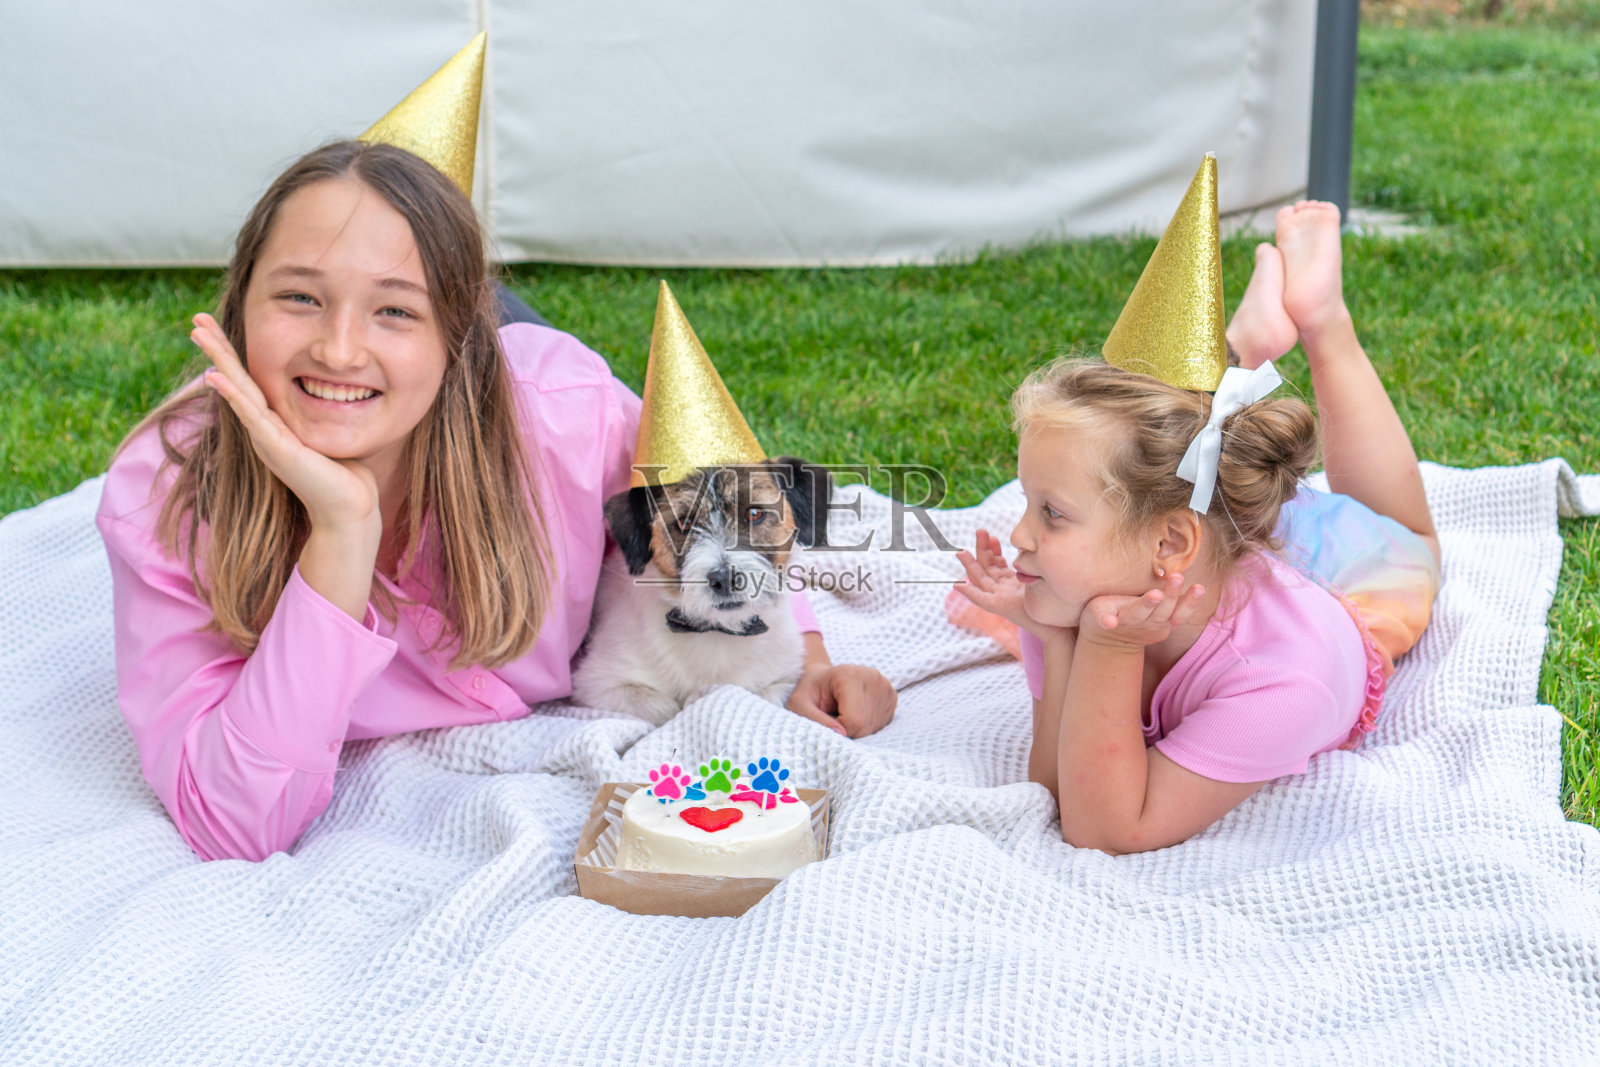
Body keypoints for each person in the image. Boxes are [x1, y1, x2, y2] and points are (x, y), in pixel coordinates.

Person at [96, 141, 896, 862]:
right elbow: (233, 823)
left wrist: (811, 660)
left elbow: (722, 494)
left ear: (458, 341)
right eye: (299, 296)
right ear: (239, 303)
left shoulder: (570, 418)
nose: (338, 348)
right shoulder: (162, 497)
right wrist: (340, 533)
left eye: (395, 308)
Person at [956, 200, 1440, 855]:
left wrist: (1107, 647)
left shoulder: (1283, 679)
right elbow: (1054, 788)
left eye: (1052, 512)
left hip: (1340, 588)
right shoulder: (1072, 593)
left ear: (1167, 543)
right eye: (1029, 502)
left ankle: (1324, 321)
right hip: (1212, 549)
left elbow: (1106, 829)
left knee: (1409, 541)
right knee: (1205, 475)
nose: (1018, 535)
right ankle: (1238, 362)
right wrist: (1059, 640)